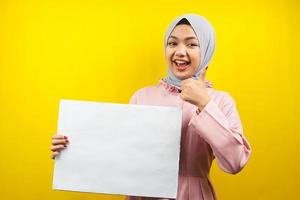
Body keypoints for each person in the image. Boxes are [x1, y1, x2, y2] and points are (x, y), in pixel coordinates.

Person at [51, 13, 251, 200]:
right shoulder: (142, 96)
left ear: (207, 50)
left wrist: (204, 103)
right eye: (172, 43)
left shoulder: (220, 101)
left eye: (191, 44)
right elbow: (119, 154)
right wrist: (72, 148)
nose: (179, 52)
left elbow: (235, 162)